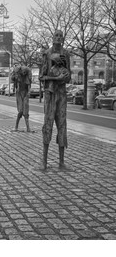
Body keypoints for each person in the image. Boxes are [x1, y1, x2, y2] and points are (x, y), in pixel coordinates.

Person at [39, 30, 71, 170]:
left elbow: (69, 76)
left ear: (62, 39)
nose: (58, 38)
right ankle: (44, 161)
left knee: (62, 124)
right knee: (48, 123)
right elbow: (41, 77)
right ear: (52, 38)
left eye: (60, 36)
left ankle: (62, 162)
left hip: (62, 93)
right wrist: (55, 78)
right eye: (56, 35)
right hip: (50, 93)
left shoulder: (66, 54)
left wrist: (65, 77)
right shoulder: (46, 53)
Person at [11, 65, 32, 132]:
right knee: (20, 111)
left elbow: (29, 87)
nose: (24, 73)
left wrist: (28, 93)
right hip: (19, 94)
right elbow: (13, 78)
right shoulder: (18, 77)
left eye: (25, 72)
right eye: (23, 71)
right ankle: (16, 126)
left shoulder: (27, 78)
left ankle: (28, 128)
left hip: (25, 94)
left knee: (26, 111)